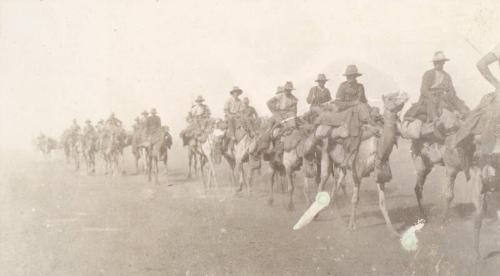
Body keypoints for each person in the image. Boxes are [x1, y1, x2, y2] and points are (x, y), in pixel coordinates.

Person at [404, 51, 469, 123]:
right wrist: (430, 96)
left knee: (457, 100)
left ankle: (465, 113)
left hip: (442, 95)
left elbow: (451, 89)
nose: (439, 64)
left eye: (441, 62)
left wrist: (450, 94)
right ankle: (435, 119)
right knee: (432, 101)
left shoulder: (447, 76)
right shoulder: (428, 74)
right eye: (437, 62)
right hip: (430, 96)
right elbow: (423, 90)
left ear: (443, 63)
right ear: (434, 63)